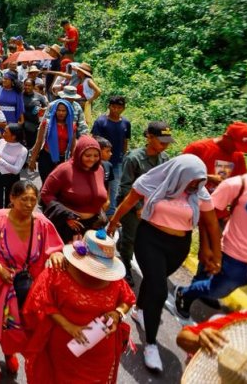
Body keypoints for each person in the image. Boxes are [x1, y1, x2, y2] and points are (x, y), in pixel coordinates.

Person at [107, 154, 221, 372]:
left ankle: (140, 309)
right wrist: (113, 223)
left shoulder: (200, 193)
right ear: (180, 175)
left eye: (200, 181)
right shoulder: (152, 182)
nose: (196, 185)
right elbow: (128, 202)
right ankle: (151, 344)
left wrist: (214, 253)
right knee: (159, 291)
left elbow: (211, 224)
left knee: (154, 280)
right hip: (150, 240)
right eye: (193, 180)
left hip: (179, 246)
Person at [22, 229, 135, 384]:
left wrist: (118, 313)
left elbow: (128, 299)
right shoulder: (59, 271)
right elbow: (42, 301)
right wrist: (69, 326)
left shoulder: (115, 280)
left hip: (100, 358)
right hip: (64, 354)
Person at [174, 143, 247, 316]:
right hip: (237, 257)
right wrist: (207, 247)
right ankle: (185, 293)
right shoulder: (237, 185)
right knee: (215, 290)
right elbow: (207, 215)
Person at [0, 182, 64, 383]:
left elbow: (56, 248)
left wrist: (56, 255)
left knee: (21, 326)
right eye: (24, 199)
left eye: (33, 200)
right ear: (12, 198)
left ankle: (9, 352)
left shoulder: (42, 223)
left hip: (29, 288)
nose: (29, 204)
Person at [115, 121, 172, 286]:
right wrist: (138, 208)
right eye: (162, 142)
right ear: (150, 137)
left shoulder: (165, 159)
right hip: (132, 206)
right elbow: (125, 186)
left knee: (146, 239)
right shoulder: (134, 158)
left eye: (167, 142)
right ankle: (126, 265)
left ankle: (123, 240)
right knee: (131, 238)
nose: (165, 146)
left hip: (153, 206)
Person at [41, 135, 108, 243]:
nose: (92, 159)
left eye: (96, 155)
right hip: (68, 228)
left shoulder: (100, 170)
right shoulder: (64, 170)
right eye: (87, 155)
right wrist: (65, 216)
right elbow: (46, 193)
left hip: (93, 228)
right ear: (79, 153)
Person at [91, 96, 131, 217]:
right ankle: (94, 211)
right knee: (98, 186)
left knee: (114, 188)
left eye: (119, 107)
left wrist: (123, 155)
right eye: (113, 107)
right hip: (100, 162)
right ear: (109, 106)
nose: (116, 110)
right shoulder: (101, 122)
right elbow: (94, 140)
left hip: (117, 162)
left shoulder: (126, 123)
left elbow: (125, 141)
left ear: (123, 109)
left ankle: (110, 214)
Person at [28, 99, 76, 184]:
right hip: (46, 158)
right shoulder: (46, 124)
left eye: (63, 111)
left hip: (63, 159)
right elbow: (39, 142)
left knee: (59, 186)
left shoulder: (72, 126)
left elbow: (73, 146)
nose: (61, 113)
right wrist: (33, 159)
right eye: (58, 110)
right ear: (55, 111)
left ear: (68, 112)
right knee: (46, 184)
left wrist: (73, 163)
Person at [0, 124, 28, 211]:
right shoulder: (1, 141)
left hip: (11, 178)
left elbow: (16, 170)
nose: (3, 133)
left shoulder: (23, 150)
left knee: (10, 204)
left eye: (5, 132)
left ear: (13, 136)